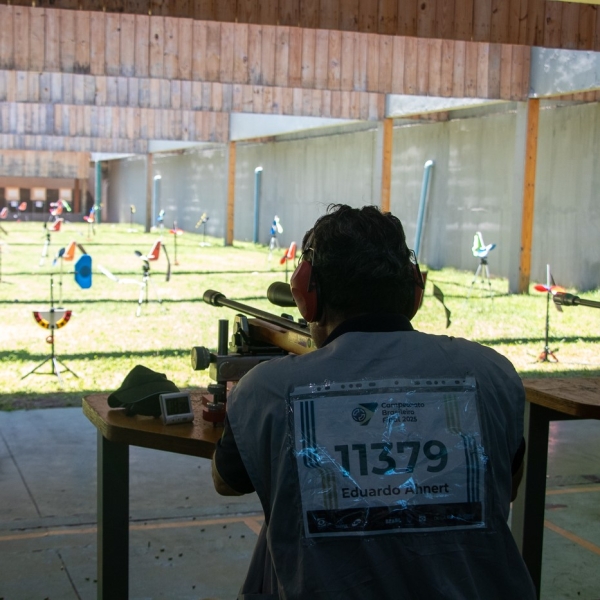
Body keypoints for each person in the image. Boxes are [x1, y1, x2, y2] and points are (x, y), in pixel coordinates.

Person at [212, 204, 535, 600]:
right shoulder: (491, 373)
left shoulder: (265, 390)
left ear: (307, 296)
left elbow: (225, 481)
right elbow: (507, 487)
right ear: (413, 290)